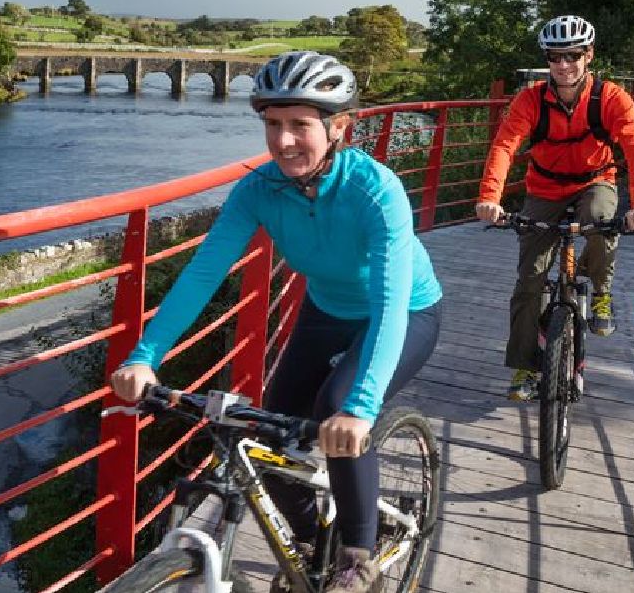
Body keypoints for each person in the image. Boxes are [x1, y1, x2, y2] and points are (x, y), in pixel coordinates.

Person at [109, 51, 443, 593]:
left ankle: (358, 558)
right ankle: (314, 542)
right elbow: (202, 275)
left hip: (406, 312)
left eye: (299, 126)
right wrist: (146, 355)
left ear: (339, 127)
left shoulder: (375, 192)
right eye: (272, 125)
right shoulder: (259, 189)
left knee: (337, 409)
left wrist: (360, 409)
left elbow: (388, 300)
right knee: (264, 434)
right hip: (327, 310)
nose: (283, 141)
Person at [473, 15, 634, 402]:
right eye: (555, 57)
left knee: (602, 219)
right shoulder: (530, 100)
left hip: (595, 182)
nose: (563, 65)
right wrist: (490, 197)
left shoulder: (610, 99)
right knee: (530, 281)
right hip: (544, 189)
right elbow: (505, 146)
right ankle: (524, 365)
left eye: (572, 55)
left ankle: (601, 291)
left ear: (588, 56)